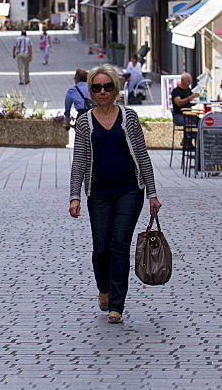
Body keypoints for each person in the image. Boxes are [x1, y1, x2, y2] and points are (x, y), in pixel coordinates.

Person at [69, 64, 161, 324]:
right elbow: (79, 161)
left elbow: (142, 157)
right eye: (97, 87)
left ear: (115, 89)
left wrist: (152, 194)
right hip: (97, 192)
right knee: (101, 250)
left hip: (129, 190)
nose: (102, 92)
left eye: (107, 87)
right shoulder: (85, 121)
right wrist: (74, 195)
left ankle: (116, 306)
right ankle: (104, 288)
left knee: (119, 245)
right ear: (91, 90)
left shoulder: (129, 117)